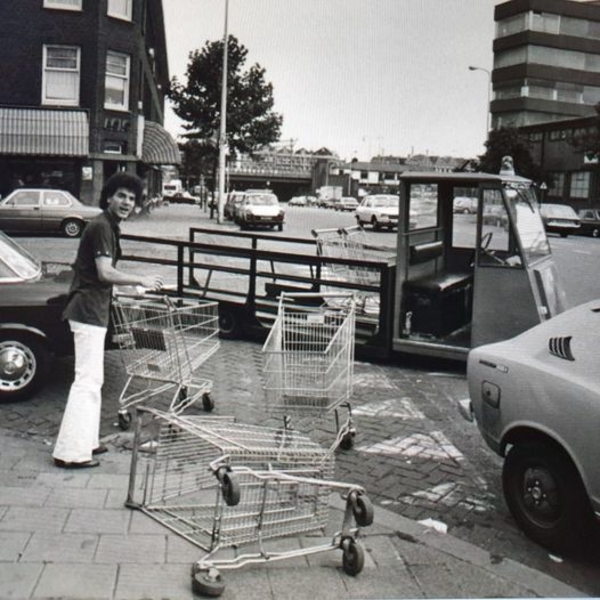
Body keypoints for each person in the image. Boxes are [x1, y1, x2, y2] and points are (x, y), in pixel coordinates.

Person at [53, 172, 162, 469]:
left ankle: (87, 442)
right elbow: (104, 273)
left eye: (132, 198)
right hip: (88, 311)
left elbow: (104, 276)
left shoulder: (108, 226)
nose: (127, 202)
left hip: (93, 310)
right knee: (86, 381)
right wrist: (142, 280)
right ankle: (70, 453)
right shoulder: (102, 227)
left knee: (93, 380)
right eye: (122, 196)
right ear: (109, 198)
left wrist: (132, 287)